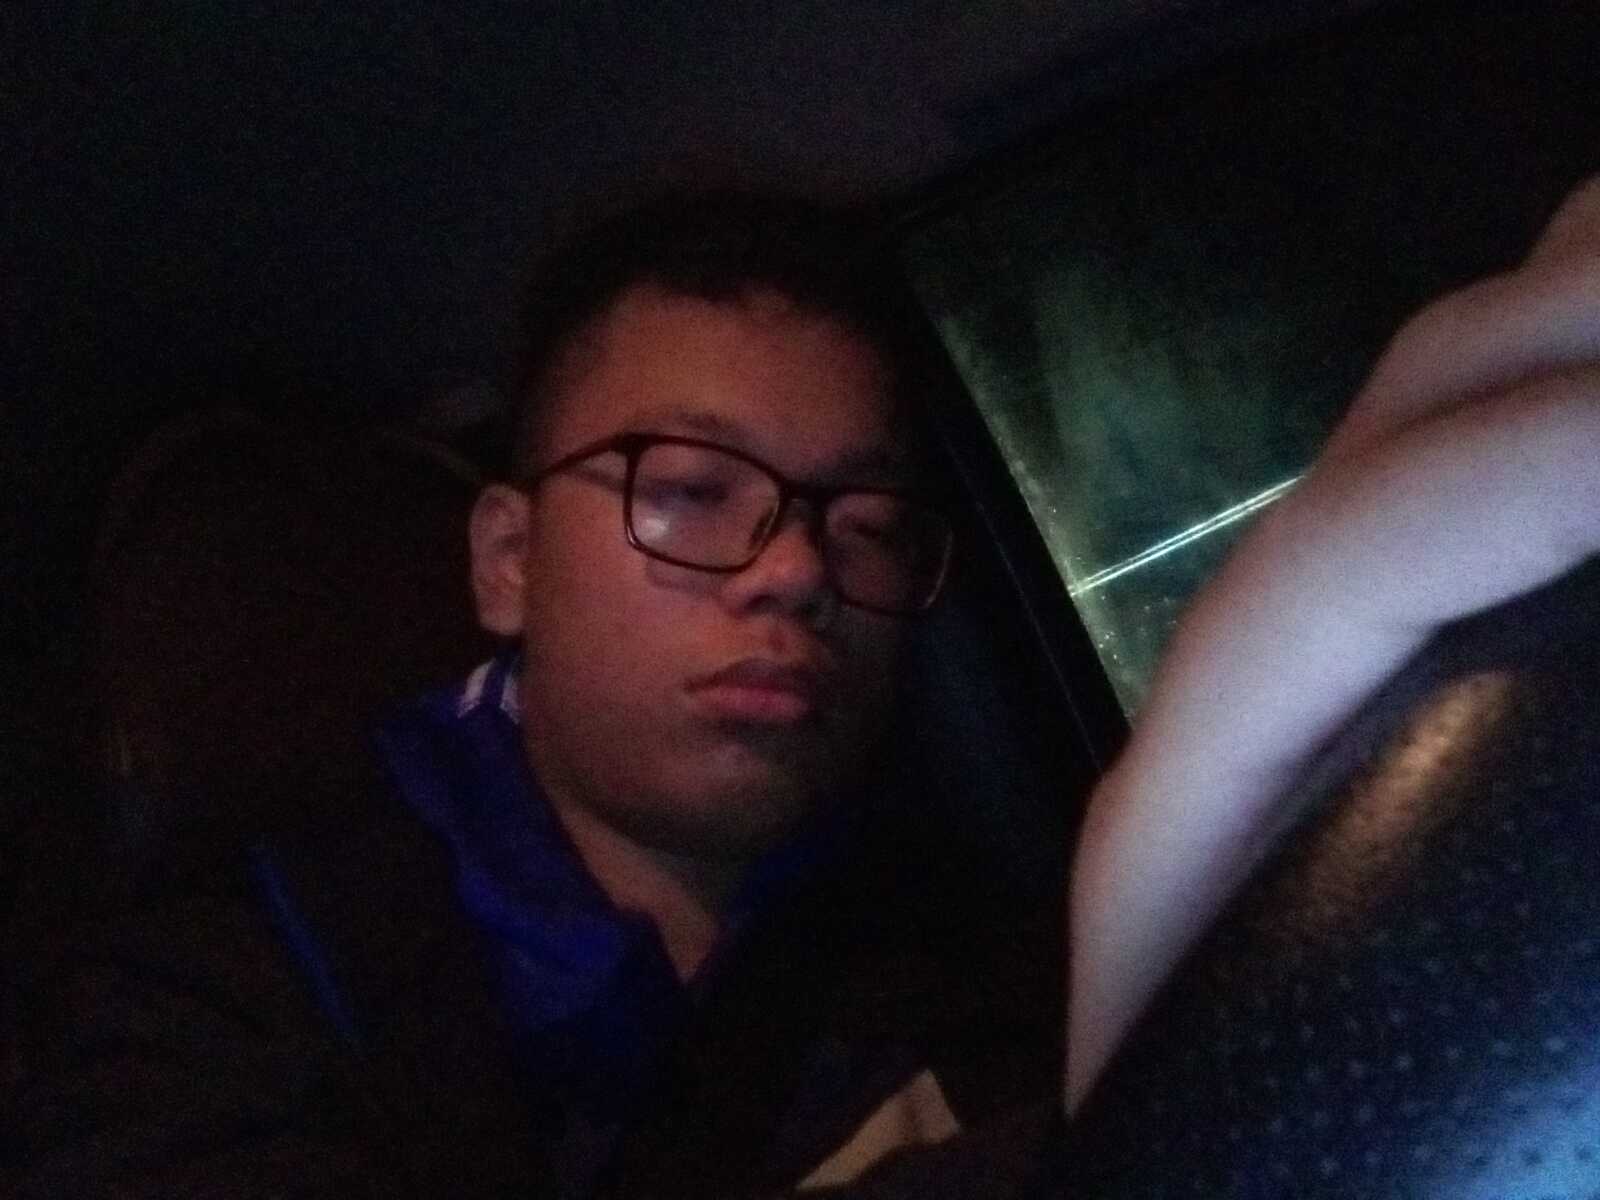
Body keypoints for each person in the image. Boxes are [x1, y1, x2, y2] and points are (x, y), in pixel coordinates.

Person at [5, 176, 1597, 1200]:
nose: (793, 572)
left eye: (862, 518)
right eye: (691, 492)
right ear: (508, 561)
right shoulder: (218, 993)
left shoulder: (965, 965)